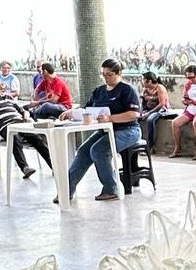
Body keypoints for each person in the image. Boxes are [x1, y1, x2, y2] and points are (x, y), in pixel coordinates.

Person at [58, 58, 141, 202]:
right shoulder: (99, 91)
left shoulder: (126, 90)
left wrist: (111, 118)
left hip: (128, 130)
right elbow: (87, 108)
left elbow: (134, 114)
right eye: (103, 74)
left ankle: (111, 188)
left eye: (109, 74)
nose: (106, 78)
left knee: (99, 150)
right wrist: (73, 112)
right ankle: (67, 190)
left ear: (118, 73)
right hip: (104, 130)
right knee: (84, 150)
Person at [0, 79, 51, 179]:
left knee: (36, 138)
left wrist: (26, 116)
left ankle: (53, 165)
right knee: (14, 137)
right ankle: (24, 167)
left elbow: (21, 110)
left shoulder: (8, 97)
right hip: (4, 125)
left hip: (20, 122)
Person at [170, 64, 196, 158]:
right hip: (190, 109)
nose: (190, 80)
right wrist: (184, 101)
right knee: (175, 123)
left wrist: (195, 102)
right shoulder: (188, 84)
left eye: (192, 77)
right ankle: (178, 148)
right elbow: (185, 96)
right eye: (188, 77)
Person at [139, 70, 170, 152]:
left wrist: (148, 113)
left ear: (149, 81)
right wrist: (141, 112)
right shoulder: (145, 89)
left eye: (143, 80)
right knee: (136, 118)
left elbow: (161, 104)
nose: (142, 81)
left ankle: (150, 145)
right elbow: (143, 103)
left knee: (150, 119)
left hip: (161, 110)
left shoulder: (159, 88)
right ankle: (138, 142)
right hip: (149, 109)